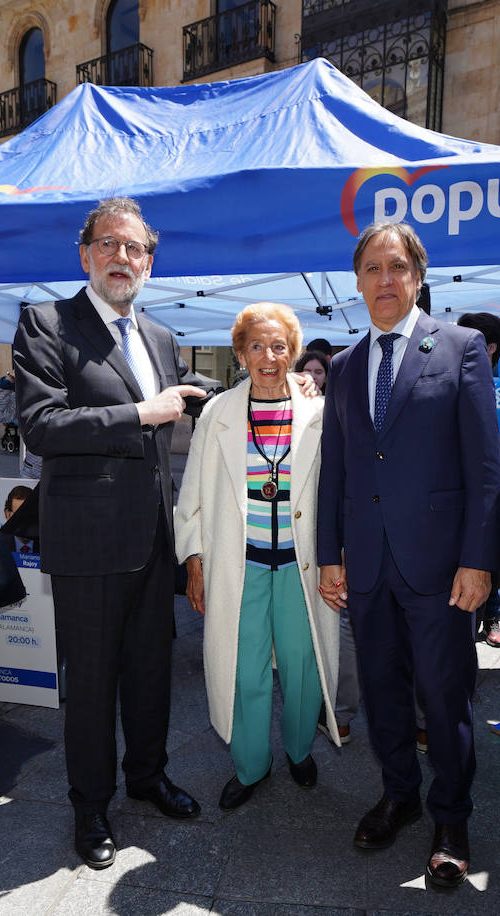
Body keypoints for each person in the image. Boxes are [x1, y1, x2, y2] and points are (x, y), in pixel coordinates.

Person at [12, 197, 220, 870]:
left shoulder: (158, 336)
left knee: (151, 673)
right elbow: (42, 425)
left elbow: (164, 426)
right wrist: (140, 411)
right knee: (94, 685)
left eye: (134, 249)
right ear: (85, 255)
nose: (121, 258)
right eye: (108, 245)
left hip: (151, 541)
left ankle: (148, 776)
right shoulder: (47, 323)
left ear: (149, 262)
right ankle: (91, 805)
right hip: (88, 546)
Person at [317, 220, 500, 889]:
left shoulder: (461, 347)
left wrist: (479, 559)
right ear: (358, 282)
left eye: (397, 267)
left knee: (444, 695)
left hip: (440, 568)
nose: (385, 280)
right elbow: (333, 467)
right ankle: (399, 794)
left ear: (419, 276)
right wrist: (327, 554)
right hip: (365, 565)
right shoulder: (343, 365)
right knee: (382, 692)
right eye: (372, 269)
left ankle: (451, 816)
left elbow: (485, 468)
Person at [175, 302, 342, 810]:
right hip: (239, 566)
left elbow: (341, 491)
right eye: (256, 345)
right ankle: (250, 766)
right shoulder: (216, 414)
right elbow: (193, 497)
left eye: (279, 346)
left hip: (301, 564)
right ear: (241, 352)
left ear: (293, 352)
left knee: (303, 666)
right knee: (243, 670)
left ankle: (297, 751)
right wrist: (194, 560)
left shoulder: (319, 411)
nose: (268, 356)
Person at [457, 311, 500, 648]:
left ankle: (492, 616)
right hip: (457, 497)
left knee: (492, 560)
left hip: (497, 496)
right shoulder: (452, 377)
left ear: (490, 347)